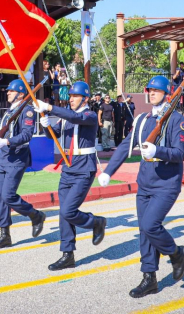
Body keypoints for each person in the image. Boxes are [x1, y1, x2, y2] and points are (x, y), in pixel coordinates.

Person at [98, 75, 184, 297]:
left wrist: (157, 151)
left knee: (150, 225)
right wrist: (109, 171)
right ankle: (149, 278)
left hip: (166, 185)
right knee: (144, 232)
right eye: (149, 90)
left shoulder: (178, 120)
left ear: (167, 94)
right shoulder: (142, 120)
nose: (151, 93)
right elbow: (124, 146)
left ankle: (176, 253)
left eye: (156, 91)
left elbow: (179, 153)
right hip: (145, 184)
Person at [35, 81, 107, 271]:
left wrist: (50, 107)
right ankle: (68, 254)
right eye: (70, 96)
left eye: (75, 96)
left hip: (84, 168)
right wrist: (45, 124)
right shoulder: (65, 117)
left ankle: (96, 222)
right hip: (68, 167)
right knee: (63, 213)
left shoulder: (89, 115)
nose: (71, 99)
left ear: (84, 98)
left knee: (68, 210)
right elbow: (53, 135)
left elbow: (76, 118)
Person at [0, 79, 47, 249]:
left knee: (8, 195)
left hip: (17, 159)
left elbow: (26, 135)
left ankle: (35, 215)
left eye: (10, 91)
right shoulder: (9, 112)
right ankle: (5, 235)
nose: (8, 93)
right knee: (0, 198)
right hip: (3, 159)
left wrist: (7, 142)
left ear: (19, 93)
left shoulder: (27, 111)